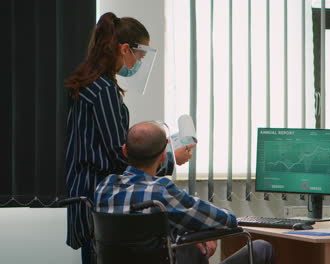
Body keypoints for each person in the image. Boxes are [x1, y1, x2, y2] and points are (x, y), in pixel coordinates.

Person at [65, 12, 195, 264]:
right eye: (140, 56)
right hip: (99, 201)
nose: (138, 63)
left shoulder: (88, 85)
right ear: (125, 49)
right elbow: (119, 153)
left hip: (86, 197)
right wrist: (169, 158)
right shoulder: (103, 91)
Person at [95, 121, 275, 264]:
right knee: (261, 248)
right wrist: (199, 233)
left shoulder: (104, 188)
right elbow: (226, 221)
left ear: (125, 150)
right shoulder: (161, 192)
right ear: (164, 155)